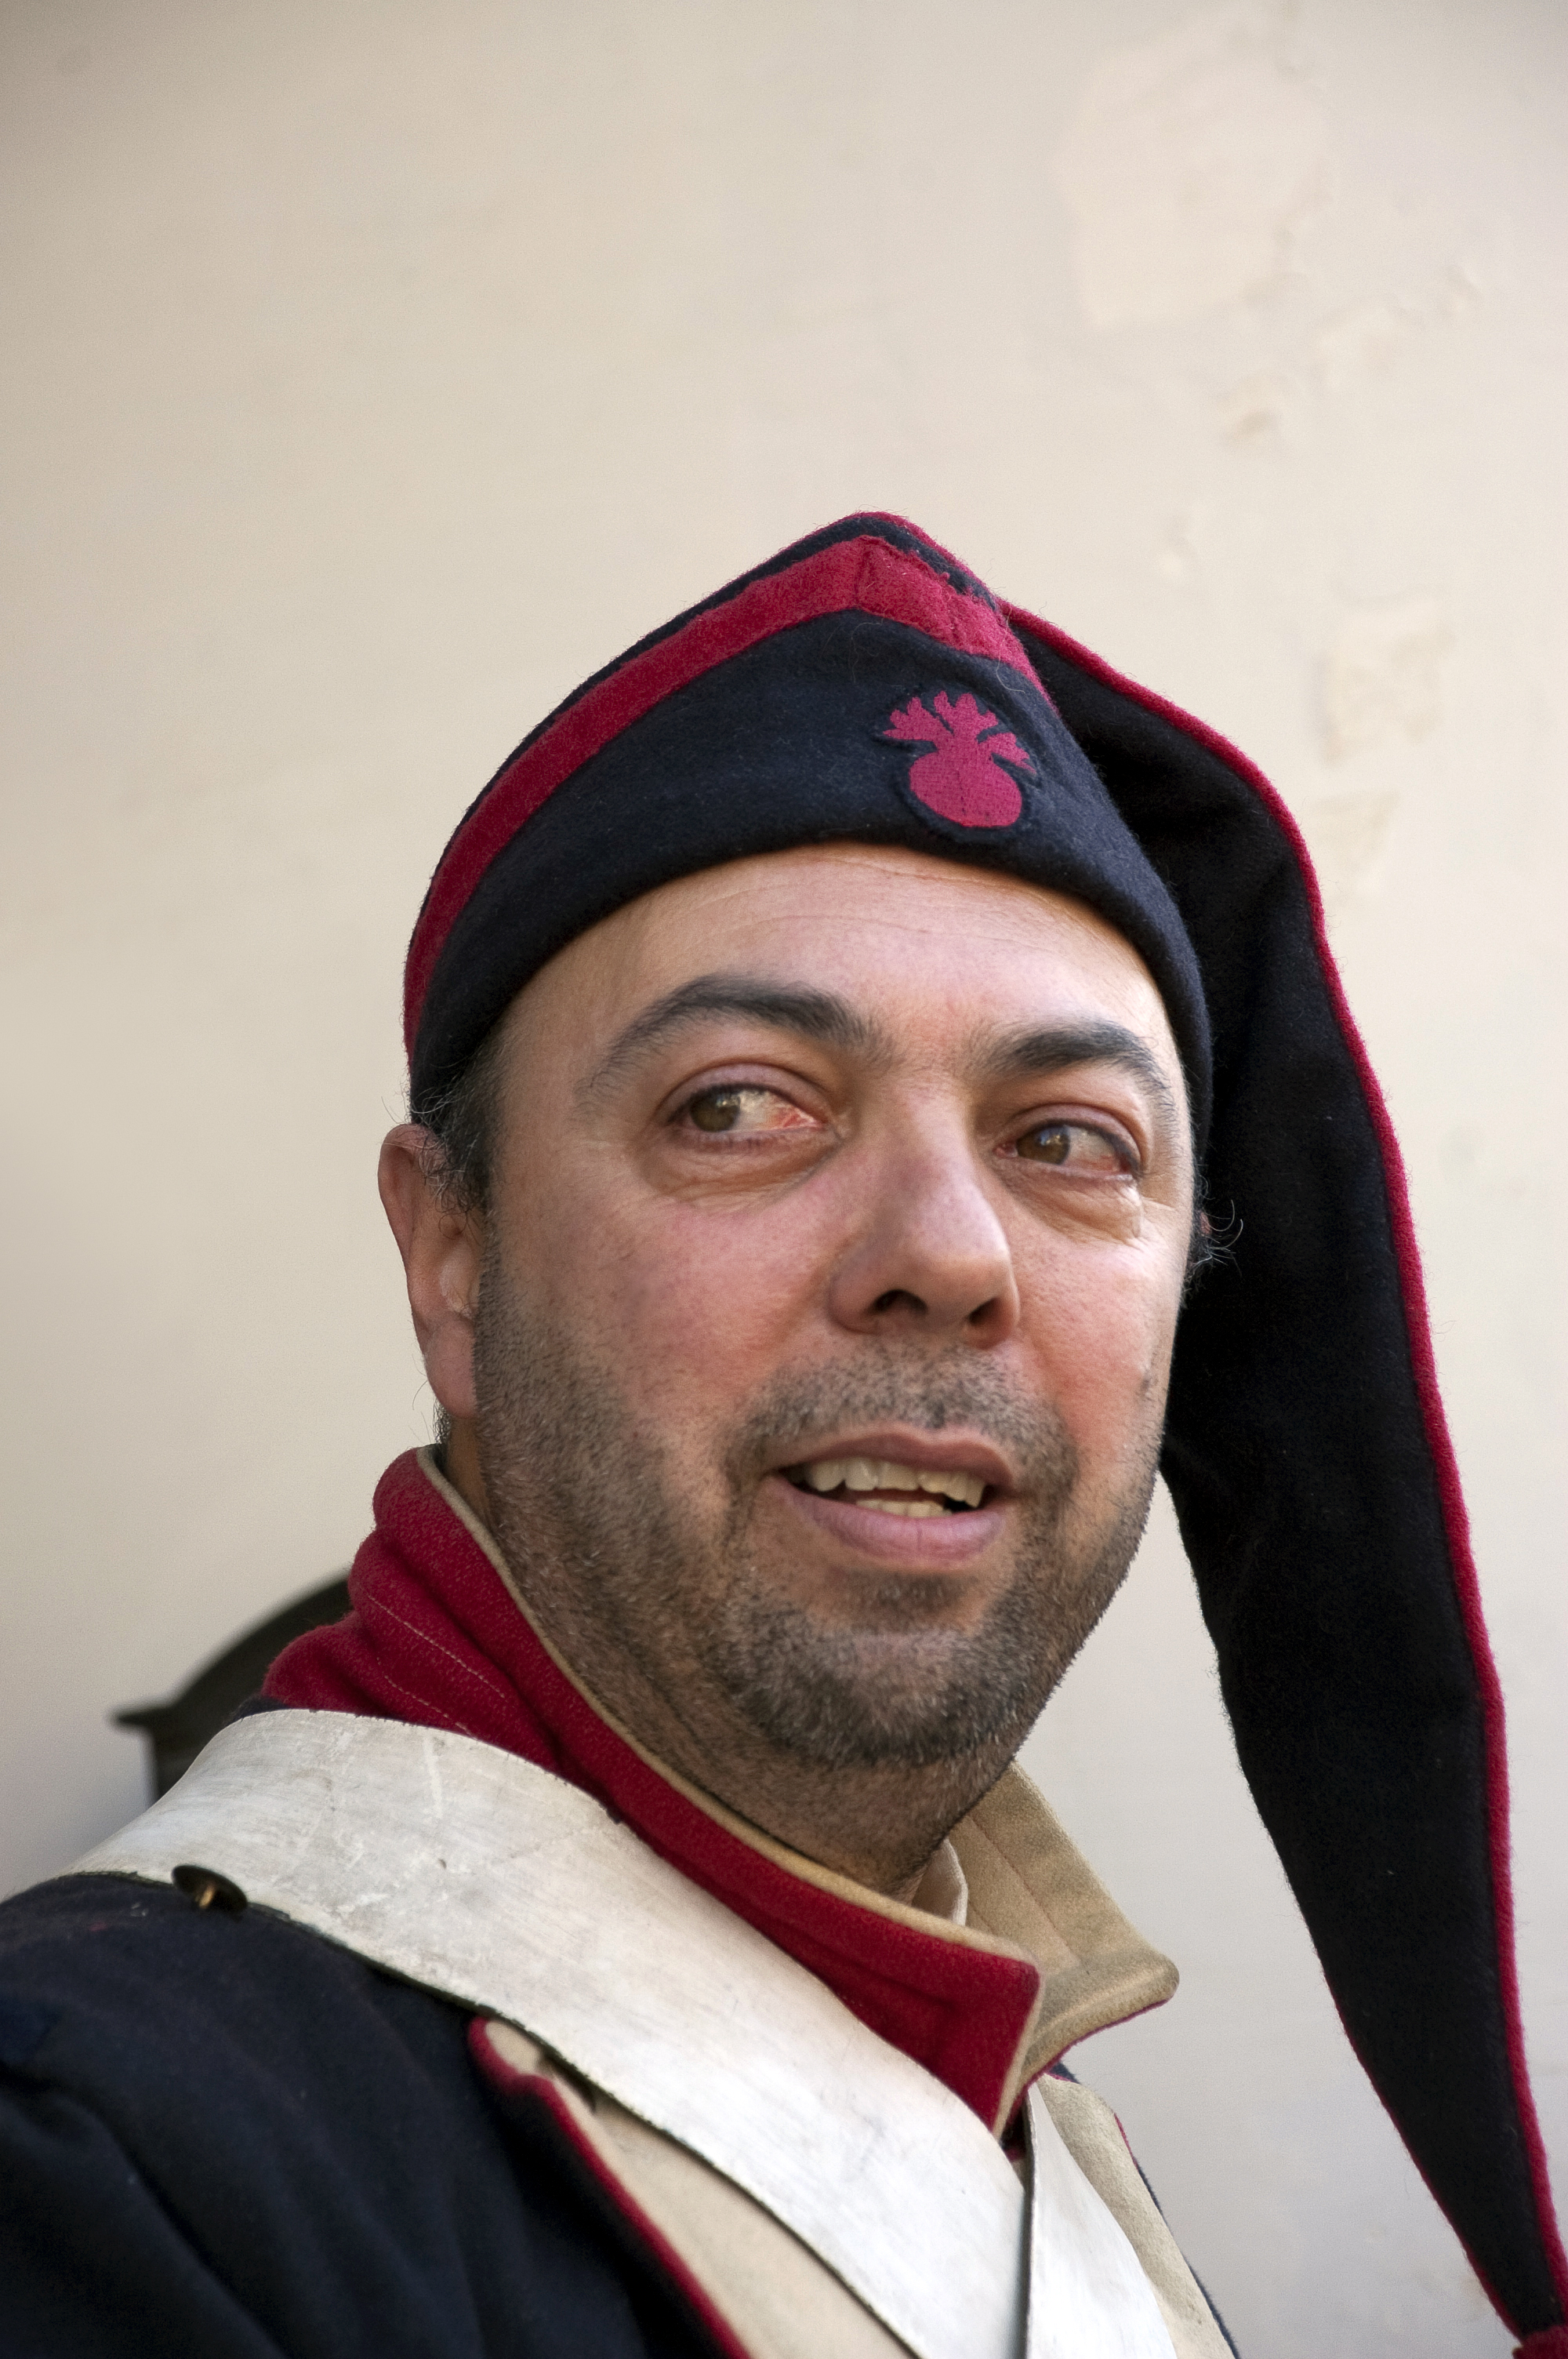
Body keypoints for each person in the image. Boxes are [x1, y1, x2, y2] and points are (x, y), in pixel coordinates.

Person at [1, 515, 1562, 2357]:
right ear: (452, 1254)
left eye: (1070, 1139)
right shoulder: (92, 2166)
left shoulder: (1023, 2134)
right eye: (742, 1107)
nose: (948, 1254)